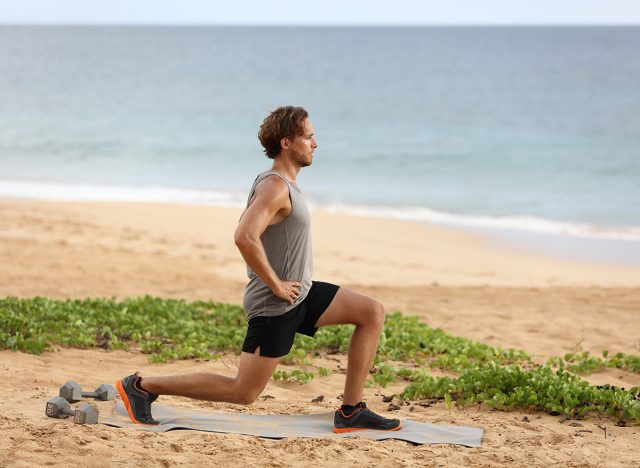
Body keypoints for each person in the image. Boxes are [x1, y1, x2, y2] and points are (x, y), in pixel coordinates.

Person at [116, 106, 401, 433]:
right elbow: (243, 236)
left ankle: (351, 411)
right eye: (308, 136)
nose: (315, 143)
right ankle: (142, 386)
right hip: (276, 304)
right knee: (244, 392)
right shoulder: (275, 186)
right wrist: (276, 284)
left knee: (371, 312)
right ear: (286, 143)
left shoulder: (283, 184)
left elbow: (251, 229)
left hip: (301, 294)